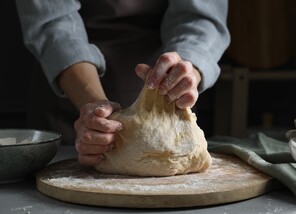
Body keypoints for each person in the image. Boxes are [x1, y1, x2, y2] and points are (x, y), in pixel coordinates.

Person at [15, 0, 230, 166]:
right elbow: (52, 21)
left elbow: (201, 16)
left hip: (167, 94)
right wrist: (94, 109)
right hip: (70, 89)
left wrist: (184, 69)